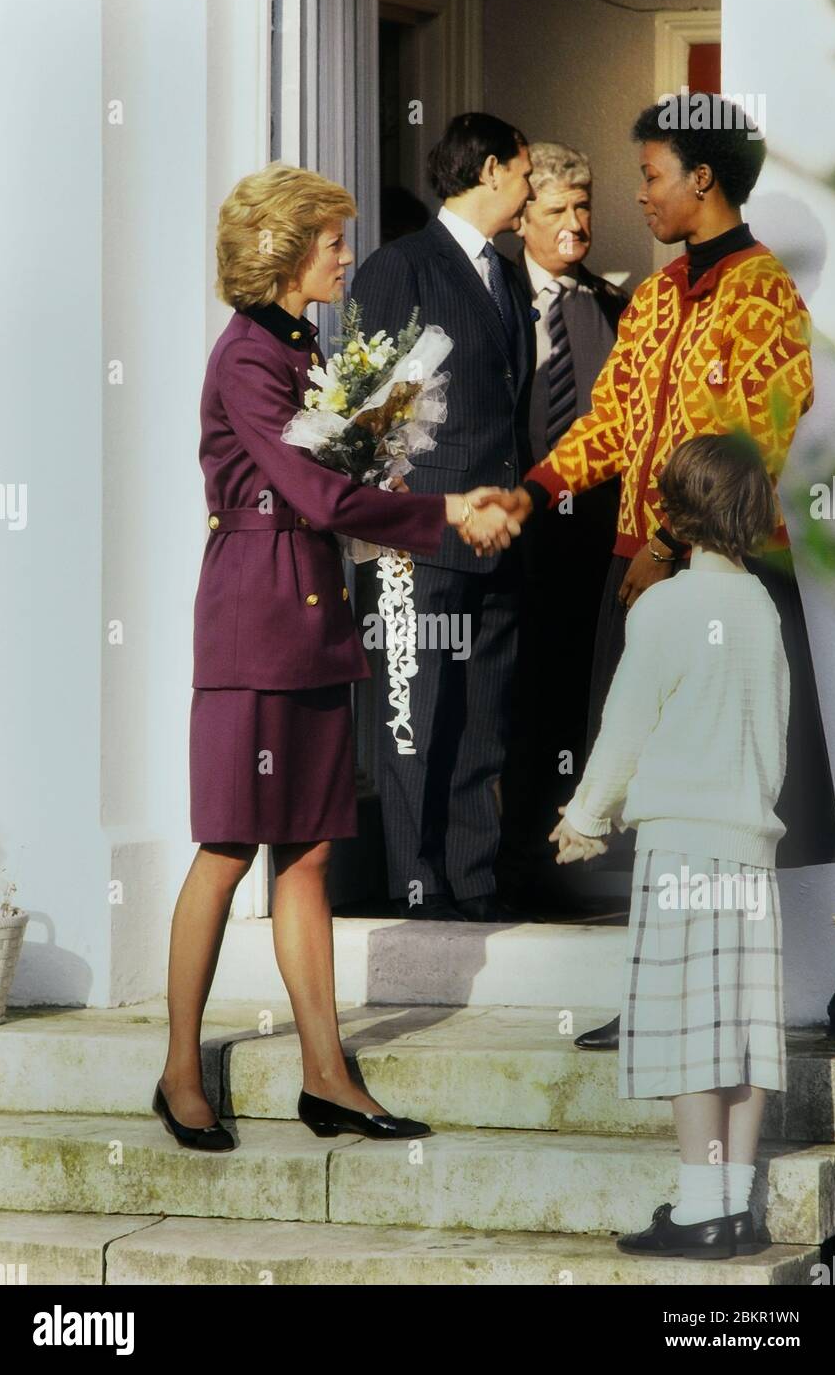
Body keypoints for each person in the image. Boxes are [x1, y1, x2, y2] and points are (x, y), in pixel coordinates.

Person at [153, 161, 520, 1152]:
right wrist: (442, 506)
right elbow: (316, 495)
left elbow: (327, 482)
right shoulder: (247, 358)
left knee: (310, 853)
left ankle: (326, 1074)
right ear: (284, 252)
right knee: (230, 847)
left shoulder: (298, 342)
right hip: (255, 623)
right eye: (331, 242)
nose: (346, 257)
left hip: (311, 618)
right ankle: (181, 1071)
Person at [493, 93, 835, 1044]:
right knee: (656, 792)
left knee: (724, 796)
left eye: (650, 176)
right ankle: (657, 994)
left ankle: (731, 1005)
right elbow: (607, 425)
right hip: (642, 574)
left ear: (702, 178)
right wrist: (531, 490)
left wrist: (664, 546)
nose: (638, 196)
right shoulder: (653, 295)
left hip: (722, 578)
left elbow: (748, 445)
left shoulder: (763, 292)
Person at [552, 433, 789, 1259]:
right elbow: (774, 734)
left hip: (683, 850)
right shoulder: (760, 610)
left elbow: (624, 730)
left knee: (695, 1032)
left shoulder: (662, 608)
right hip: (748, 851)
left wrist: (585, 816)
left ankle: (698, 1209)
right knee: (744, 1031)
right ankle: (737, 1206)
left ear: (673, 512)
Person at [351, 113, 537, 923]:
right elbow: (373, 415)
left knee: (480, 720)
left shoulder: (506, 271)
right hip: (426, 538)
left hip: (499, 533)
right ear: (491, 170)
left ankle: (472, 877)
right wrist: (418, 517)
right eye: (526, 174)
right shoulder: (401, 267)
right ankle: (417, 885)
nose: (530, 191)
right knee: (415, 715)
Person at [499, 141, 628, 903]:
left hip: (589, 543)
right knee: (515, 705)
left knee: (587, 697)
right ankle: (512, 867)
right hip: (510, 534)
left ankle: (577, 869)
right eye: (556, 210)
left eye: (584, 207)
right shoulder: (493, 298)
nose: (575, 224)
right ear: (522, 217)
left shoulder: (614, 305)